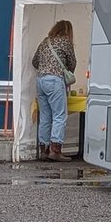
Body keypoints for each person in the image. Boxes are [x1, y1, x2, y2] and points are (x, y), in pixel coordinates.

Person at [32, 19, 77, 162]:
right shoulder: (65, 42)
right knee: (59, 115)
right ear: (68, 31)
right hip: (54, 80)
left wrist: (45, 67)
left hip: (40, 81)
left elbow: (34, 61)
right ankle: (55, 150)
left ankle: (44, 150)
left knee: (45, 116)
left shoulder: (45, 42)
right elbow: (72, 63)